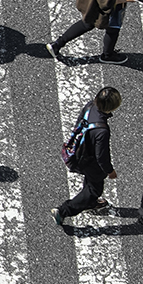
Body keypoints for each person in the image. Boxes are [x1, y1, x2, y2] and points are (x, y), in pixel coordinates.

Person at [52, 86, 121, 225]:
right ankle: (63, 210)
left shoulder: (91, 106)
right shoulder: (102, 131)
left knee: (91, 182)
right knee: (94, 189)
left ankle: (90, 203)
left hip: (77, 150)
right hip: (88, 160)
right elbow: (101, 156)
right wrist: (110, 170)